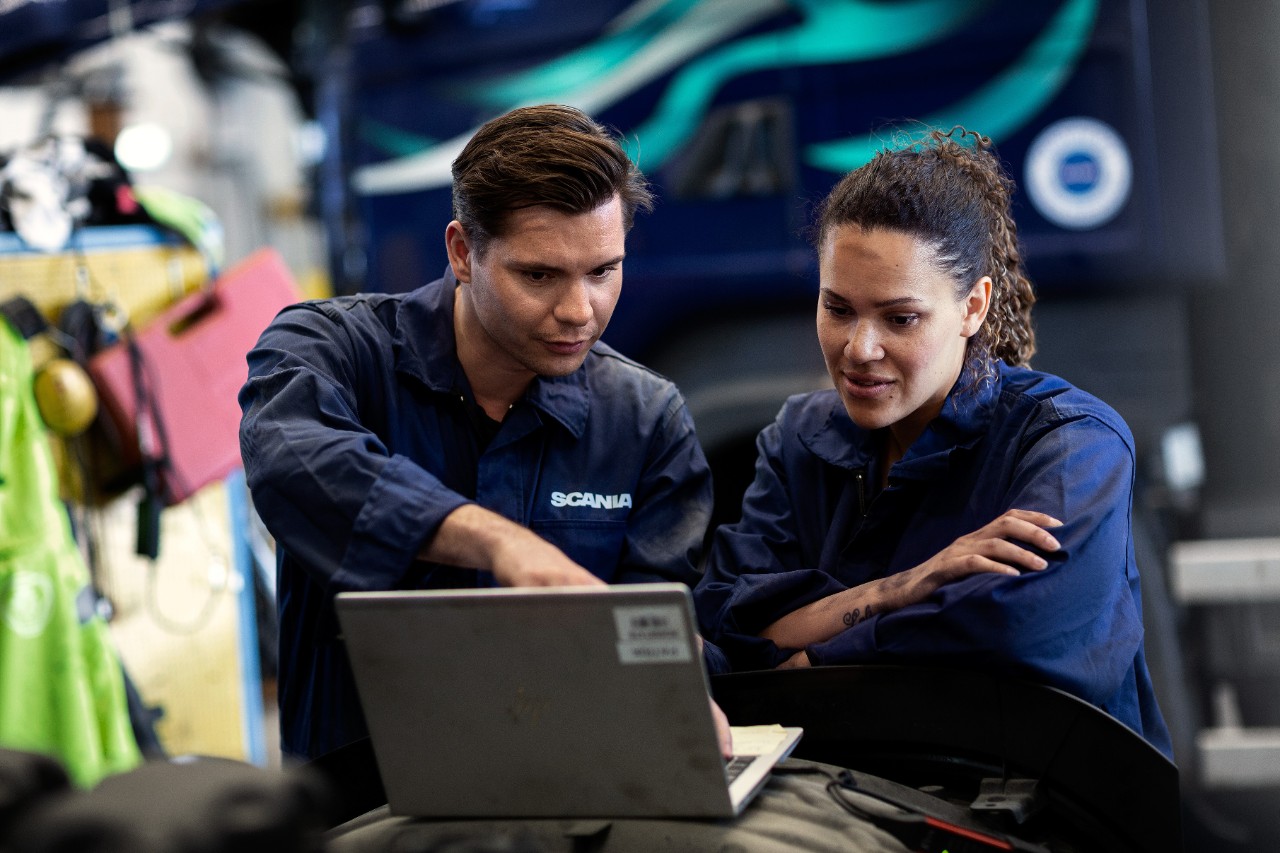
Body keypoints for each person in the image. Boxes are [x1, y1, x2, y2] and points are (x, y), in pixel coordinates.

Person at [239, 104, 715, 761]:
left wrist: (678, 677)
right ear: (463, 252)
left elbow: (663, 624)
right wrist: (494, 542)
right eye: (539, 275)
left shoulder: (644, 418)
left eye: (603, 271)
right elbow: (295, 463)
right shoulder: (329, 351)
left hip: (573, 793)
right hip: (366, 808)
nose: (580, 311)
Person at [694, 127, 1173, 758]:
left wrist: (814, 651)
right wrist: (908, 587)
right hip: (844, 787)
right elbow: (728, 627)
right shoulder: (799, 438)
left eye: (900, 318)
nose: (859, 350)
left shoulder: (1071, 445)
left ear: (974, 307)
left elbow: (1018, 630)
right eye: (837, 308)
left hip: (1042, 799)